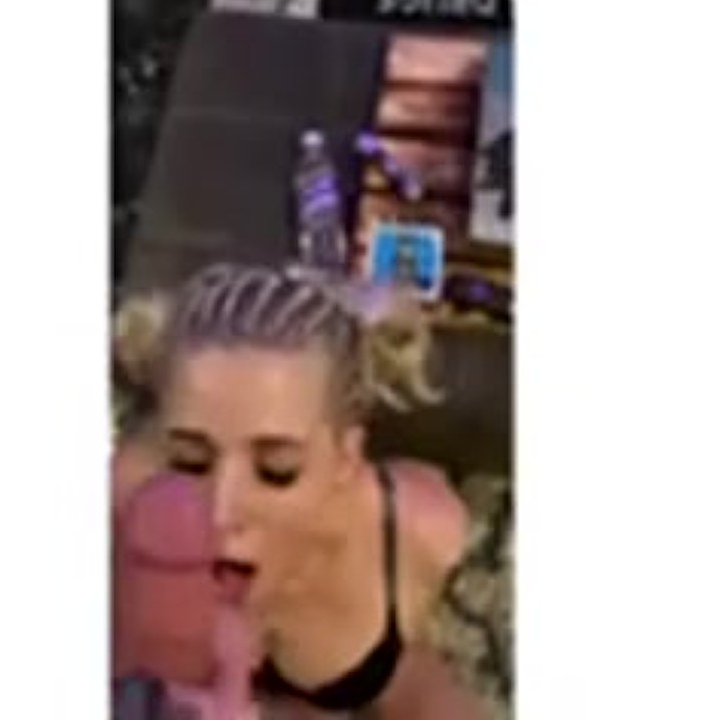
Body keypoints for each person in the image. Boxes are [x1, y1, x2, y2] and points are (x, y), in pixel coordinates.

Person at [111, 262, 476, 716]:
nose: (221, 512)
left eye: (276, 470)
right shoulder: (131, 499)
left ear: (345, 458)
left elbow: (420, 688)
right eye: (190, 461)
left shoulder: (416, 533)